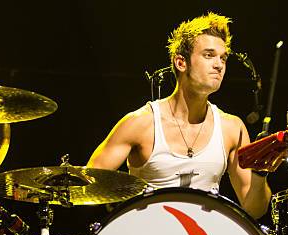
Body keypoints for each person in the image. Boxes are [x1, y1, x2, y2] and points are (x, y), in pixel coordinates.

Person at [87, 12, 277, 219]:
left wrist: (260, 174)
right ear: (181, 62)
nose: (219, 65)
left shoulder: (232, 128)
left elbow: (254, 211)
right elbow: (90, 185)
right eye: (208, 55)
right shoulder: (140, 123)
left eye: (223, 57)